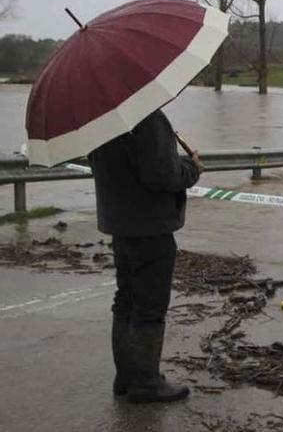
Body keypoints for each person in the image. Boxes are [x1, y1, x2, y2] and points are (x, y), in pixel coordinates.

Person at [88, 109, 203, 404]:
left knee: (125, 301)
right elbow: (161, 175)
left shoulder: (99, 118)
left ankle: (126, 378)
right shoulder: (146, 117)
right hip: (150, 227)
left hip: (120, 225)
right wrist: (192, 168)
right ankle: (146, 384)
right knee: (149, 308)